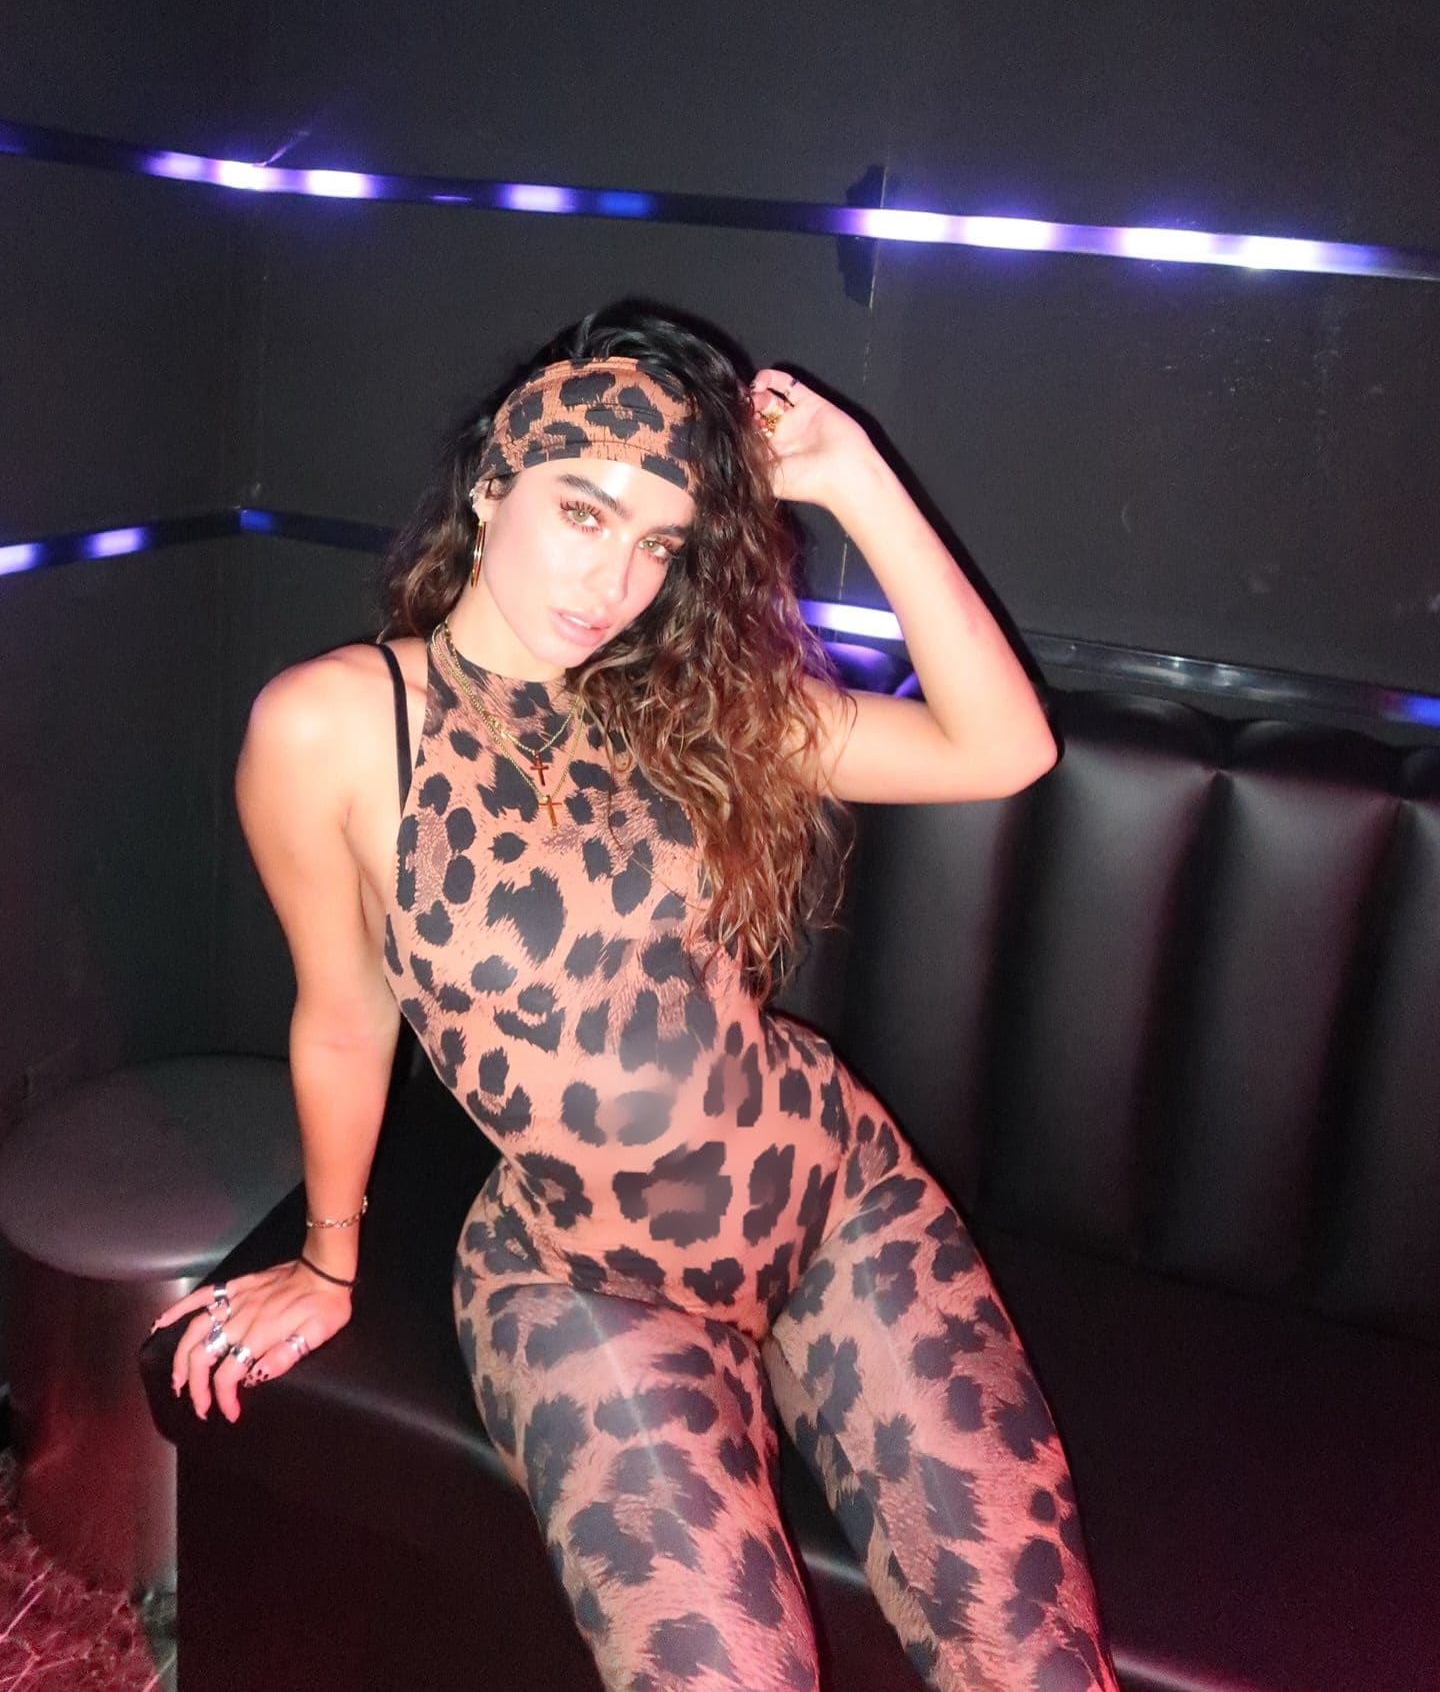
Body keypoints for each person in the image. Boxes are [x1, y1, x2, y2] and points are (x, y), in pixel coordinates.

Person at [150, 301, 1122, 1692]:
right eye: (584, 511)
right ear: (493, 485)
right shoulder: (335, 725)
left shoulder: (682, 702)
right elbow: (347, 1014)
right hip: (586, 1281)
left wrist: (857, 478)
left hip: (835, 1202)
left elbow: (1003, 749)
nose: (615, 580)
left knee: (1036, 1665)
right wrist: (327, 1258)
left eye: (661, 544)